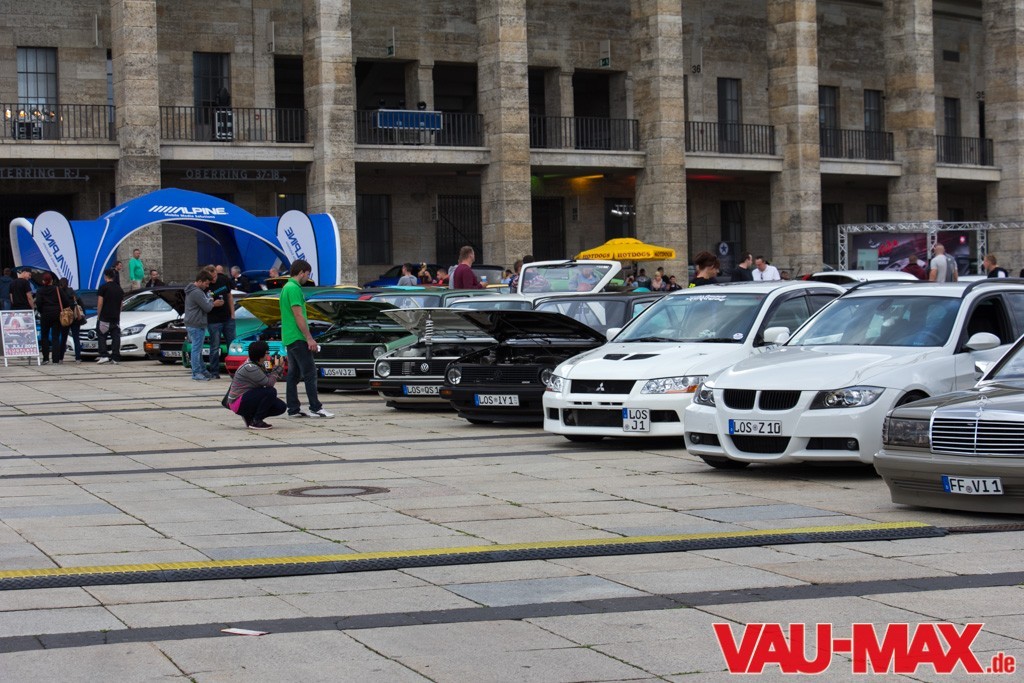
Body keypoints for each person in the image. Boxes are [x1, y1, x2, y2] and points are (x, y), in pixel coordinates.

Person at [281, 259, 333, 418]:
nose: (308, 278)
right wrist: (309, 338)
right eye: (307, 274)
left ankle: (293, 409)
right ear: (301, 272)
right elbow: (298, 315)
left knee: (293, 374)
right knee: (310, 372)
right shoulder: (294, 289)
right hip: (298, 337)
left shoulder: (286, 287)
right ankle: (315, 407)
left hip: (289, 337)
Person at [225, 340, 287, 430]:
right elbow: (269, 383)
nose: (268, 355)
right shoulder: (250, 367)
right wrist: (278, 367)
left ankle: (250, 417)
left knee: (280, 407)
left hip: (247, 397)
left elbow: (272, 376)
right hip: (237, 402)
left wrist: (276, 367)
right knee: (270, 391)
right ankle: (256, 421)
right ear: (260, 355)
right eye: (267, 353)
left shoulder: (259, 363)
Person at [184, 270, 221, 381]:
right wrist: (212, 302)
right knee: (196, 349)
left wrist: (208, 300)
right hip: (197, 324)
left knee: (197, 349)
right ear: (200, 281)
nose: (207, 286)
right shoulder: (197, 292)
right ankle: (196, 373)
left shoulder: (192, 290)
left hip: (192, 323)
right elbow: (207, 308)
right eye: (206, 283)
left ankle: (203, 370)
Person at [203, 265, 234, 379]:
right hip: (213, 320)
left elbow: (229, 296)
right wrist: (213, 304)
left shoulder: (224, 279)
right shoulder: (205, 285)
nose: (214, 279)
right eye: (211, 278)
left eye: (215, 276)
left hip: (227, 318)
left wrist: (232, 314)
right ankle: (214, 372)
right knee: (215, 346)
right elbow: (203, 303)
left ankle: (233, 371)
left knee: (232, 345)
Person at [34, 273, 70, 364]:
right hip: (56, 314)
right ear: (52, 281)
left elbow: (38, 303)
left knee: (44, 336)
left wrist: (41, 311)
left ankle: (45, 358)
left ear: (43, 281)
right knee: (55, 337)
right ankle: (55, 359)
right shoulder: (57, 289)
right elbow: (66, 301)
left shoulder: (40, 290)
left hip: (45, 314)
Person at [95, 268, 124, 364]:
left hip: (104, 316)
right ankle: (115, 357)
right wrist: (118, 314)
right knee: (116, 337)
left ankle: (104, 355)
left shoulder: (103, 287)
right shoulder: (119, 289)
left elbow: (100, 302)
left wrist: (98, 315)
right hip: (115, 317)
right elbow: (121, 304)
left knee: (102, 336)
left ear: (105, 276)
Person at [62, 278, 84, 363]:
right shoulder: (74, 293)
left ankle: (60, 358)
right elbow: (81, 304)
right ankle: (78, 358)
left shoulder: (61, 294)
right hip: (75, 318)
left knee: (63, 338)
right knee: (76, 338)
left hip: (65, 317)